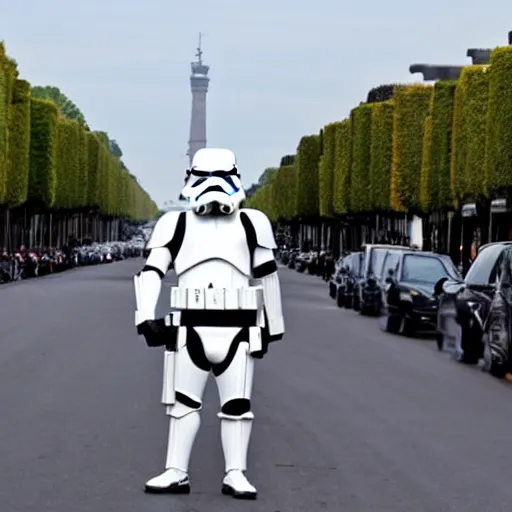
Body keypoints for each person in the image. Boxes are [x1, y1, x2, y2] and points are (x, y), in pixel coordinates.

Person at [133, 148, 285, 500]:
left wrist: (272, 326)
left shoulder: (252, 223)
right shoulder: (176, 223)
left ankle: (235, 472)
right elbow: (151, 272)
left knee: (237, 406)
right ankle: (177, 470)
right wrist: (144, 318)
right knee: (183, 404)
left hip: (238, 329)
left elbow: (267, 276)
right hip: (192, 327)